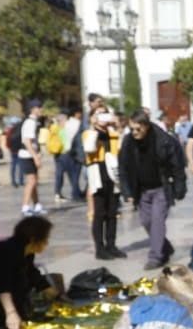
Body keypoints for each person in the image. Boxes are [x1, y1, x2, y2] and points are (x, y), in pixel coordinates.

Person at [118, 110, 185, 270]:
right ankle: (165, 247)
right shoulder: (128, 141)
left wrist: (179, 186)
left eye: (138, 129)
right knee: (146, 221)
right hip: (142, 190)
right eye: (132, 129)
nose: (134, 132)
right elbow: (123, 167)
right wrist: (126, 191)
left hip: (161, 188)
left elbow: (177, 165)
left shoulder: (163, 140)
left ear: (146, 126)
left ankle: (155, 257)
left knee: (157, 222)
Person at [82, 109, 122, 260]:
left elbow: (119, 148)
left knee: (112, 212)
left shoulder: (112, 132)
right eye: (98, 114)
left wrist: (117, 126)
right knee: (99, 212)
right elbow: (89, 148)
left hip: (113, 173)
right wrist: (94, 127)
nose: (103, 117)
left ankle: (111, 245)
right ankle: (100, 248)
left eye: (105, 114)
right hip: (97, 173)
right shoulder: (88, 133)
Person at [19, 100, 45, 215]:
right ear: (33, 109)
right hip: (27, 155)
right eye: (39, 107)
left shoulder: (34, 122)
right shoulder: (30, 123)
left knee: (34, 181)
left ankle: (37, 205)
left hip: (30, 154)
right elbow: (27, 141)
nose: (41, 109)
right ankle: (25, 206)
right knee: (31, 181)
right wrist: (35, 157)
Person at [56, 105, 85, 202]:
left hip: (65, 152)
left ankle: (75, 192)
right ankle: (76, 194)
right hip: (74, 152)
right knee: (75, 174)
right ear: (77, 113)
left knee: (71, 174)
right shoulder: (77, 123)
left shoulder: (67, 123)